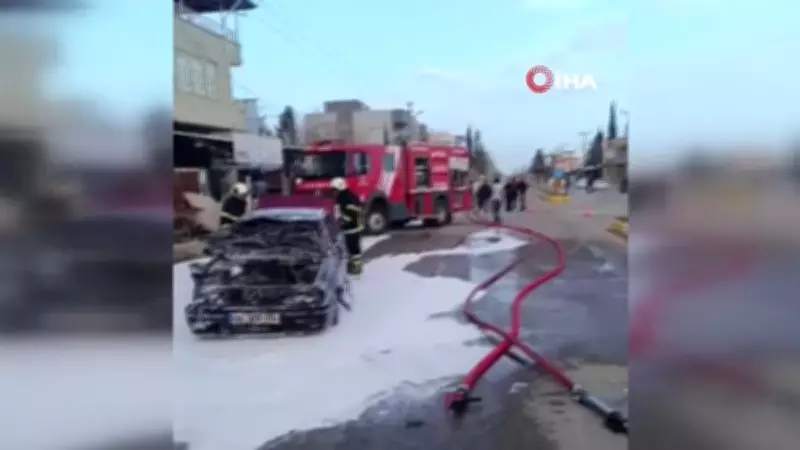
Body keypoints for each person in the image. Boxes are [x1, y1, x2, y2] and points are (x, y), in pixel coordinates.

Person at [331, 177, 364, 275]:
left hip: (352, 228)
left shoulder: (345, 199)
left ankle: (356, 269)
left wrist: (341, 221)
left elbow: (352, 215)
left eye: (334, 189)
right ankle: (353, 267)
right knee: (352, 249)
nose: (333, 192)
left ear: (339, 188)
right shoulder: (347, 196)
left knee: (353, 250)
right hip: (353, 228)